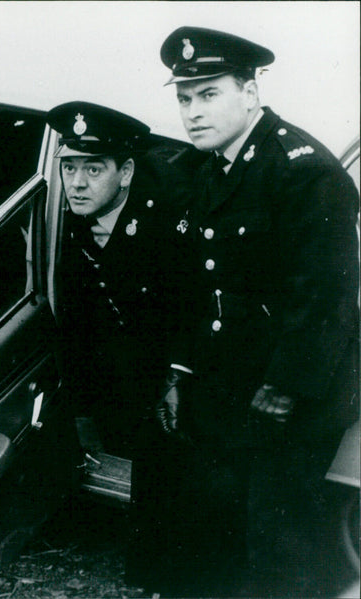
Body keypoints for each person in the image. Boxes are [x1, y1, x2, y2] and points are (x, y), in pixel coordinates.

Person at [155, 26, 359, 597]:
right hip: (232, 385)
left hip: (290, 397)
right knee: (227, 535)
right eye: (184, 98)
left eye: (209, 94)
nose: (193, 112)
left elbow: (327, 296)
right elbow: (203, 283)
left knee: (282, 544)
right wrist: (182, 370)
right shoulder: (210, 166)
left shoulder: (304, 171)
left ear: (250, 91)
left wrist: (285, 387)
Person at [47, 102, 194, 593]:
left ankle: (160, 572)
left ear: (126, 171)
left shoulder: (168, 223)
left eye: (95, 168)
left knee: (168, 469)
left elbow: (188, 314)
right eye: (69, 167)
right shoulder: (62, 223)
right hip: (115, 364)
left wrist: (172, 379)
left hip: (172, 372)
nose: (78, 183)